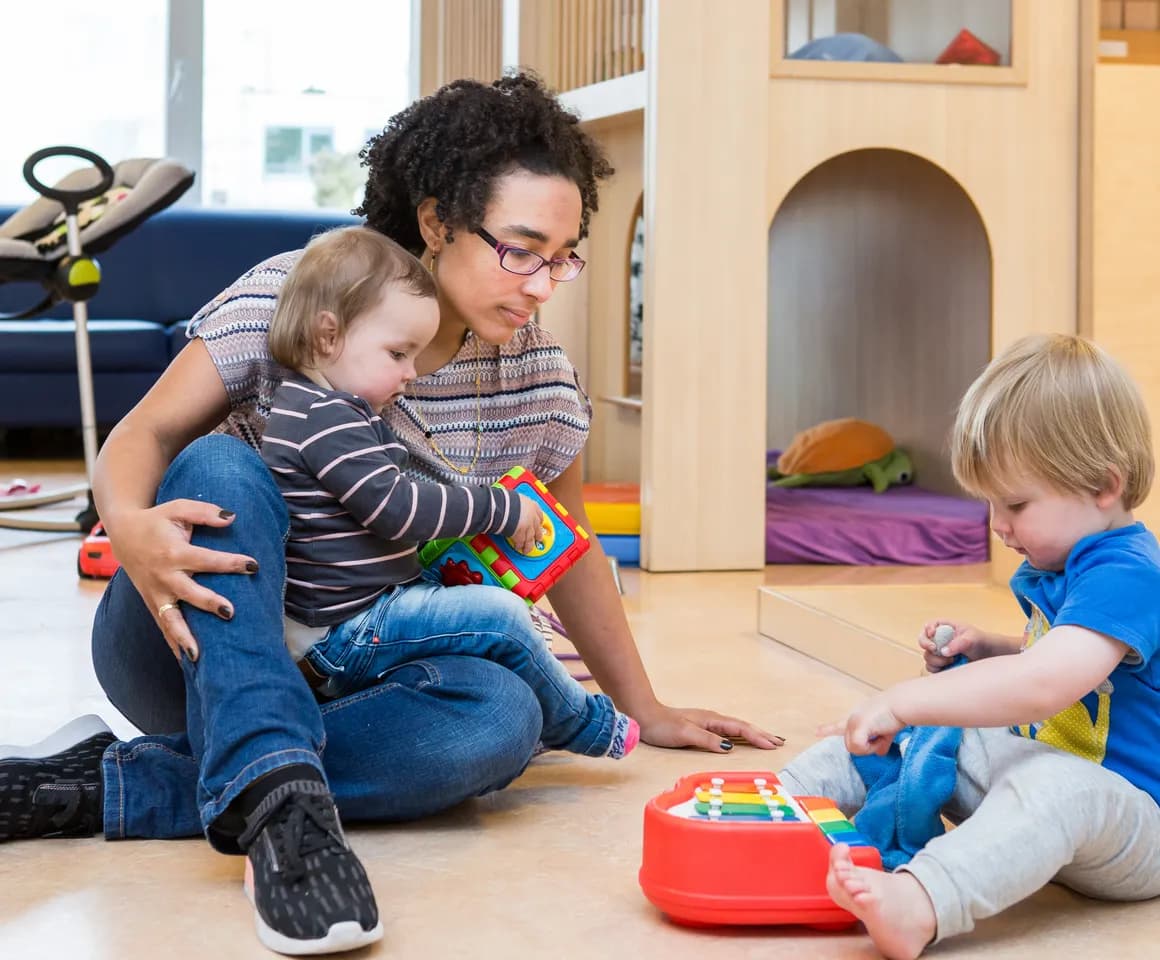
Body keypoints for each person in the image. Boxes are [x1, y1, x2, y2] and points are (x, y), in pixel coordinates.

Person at [0, 73, 780, 954]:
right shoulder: (298, 300)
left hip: (353, 667)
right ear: (438, 220)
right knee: (223, 464)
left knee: (501, 718)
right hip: (191, 644)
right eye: (520, 249)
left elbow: (571, 549)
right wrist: (132, 530)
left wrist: (647, 705)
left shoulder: (537, 376)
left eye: (565, 255)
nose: (542, 285)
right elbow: (136, 440)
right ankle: (280, 808)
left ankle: (122, 783)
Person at [780, 333, 1160, 960]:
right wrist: (990, 648)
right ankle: (777, 801)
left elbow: (1048, 683)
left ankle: (921, 902)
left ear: (1104, 485)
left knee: (1034, 776)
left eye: (1014, 503)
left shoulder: (1128, 573)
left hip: (1131, 822)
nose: (996, 524)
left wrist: (911, 698)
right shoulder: (1064, 560)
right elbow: (1065, 663)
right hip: (1042, 777)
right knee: (930, 739)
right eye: (988, 501)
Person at [262, 224, 639, 758]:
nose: (411, 373)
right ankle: (584, 724)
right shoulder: (324, 419)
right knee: (501, 617)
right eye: (397, 354)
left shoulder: (325, 410)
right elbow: (397, 508)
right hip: (347, 631)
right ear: (328, 335)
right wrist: (499, 508)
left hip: (363, 617)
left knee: (487, 623)